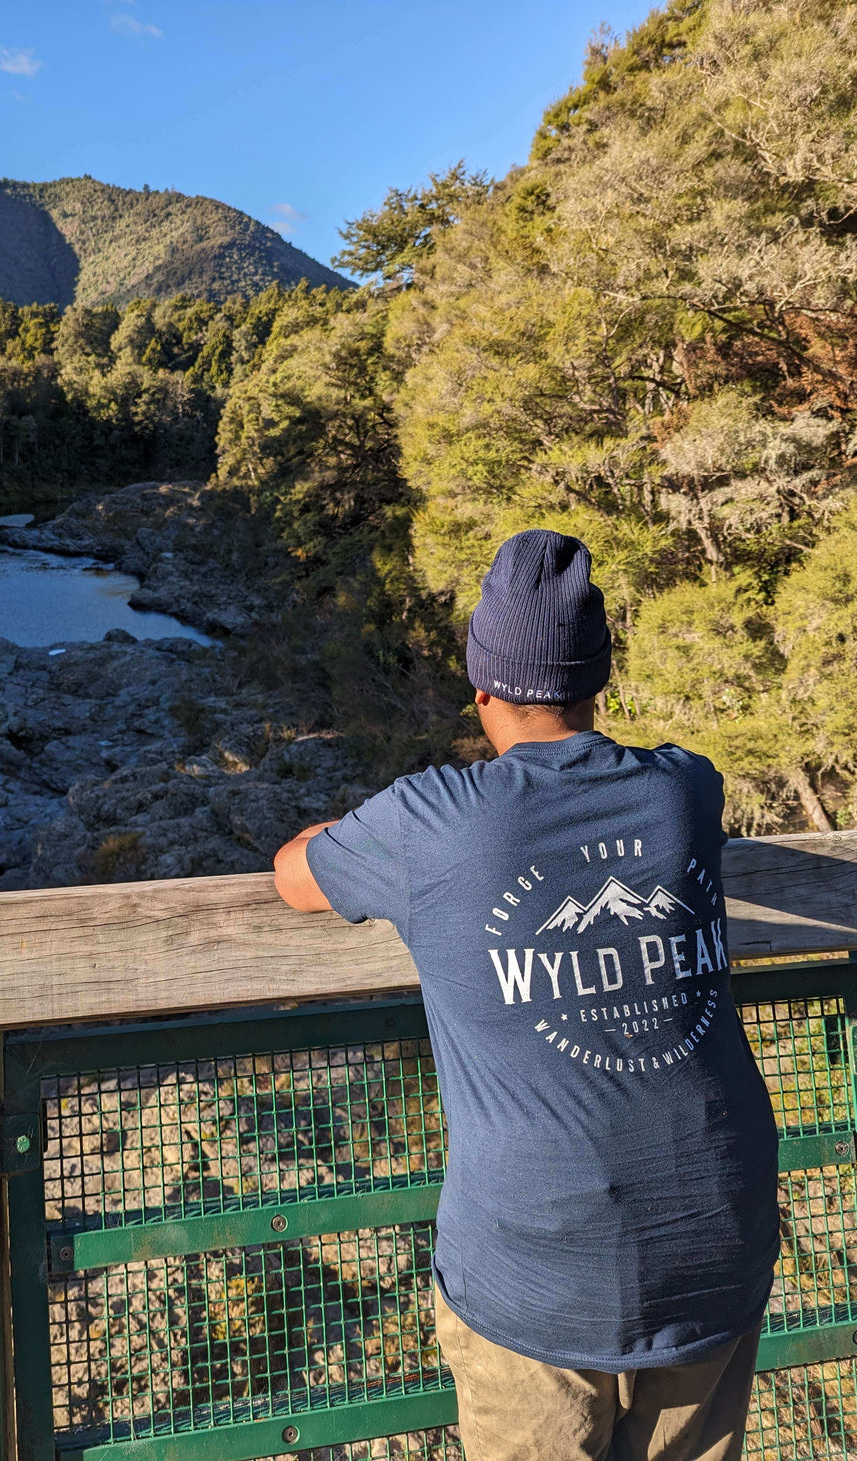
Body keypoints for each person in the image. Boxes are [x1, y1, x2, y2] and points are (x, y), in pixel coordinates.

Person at [273, 529, 780, 1461]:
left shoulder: (433, 818)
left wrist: (351, 829)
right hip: (719, 1235)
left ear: (482, 685)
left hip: (540, 1267)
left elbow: (294, 874)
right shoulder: (685, 790)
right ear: (598, 679)